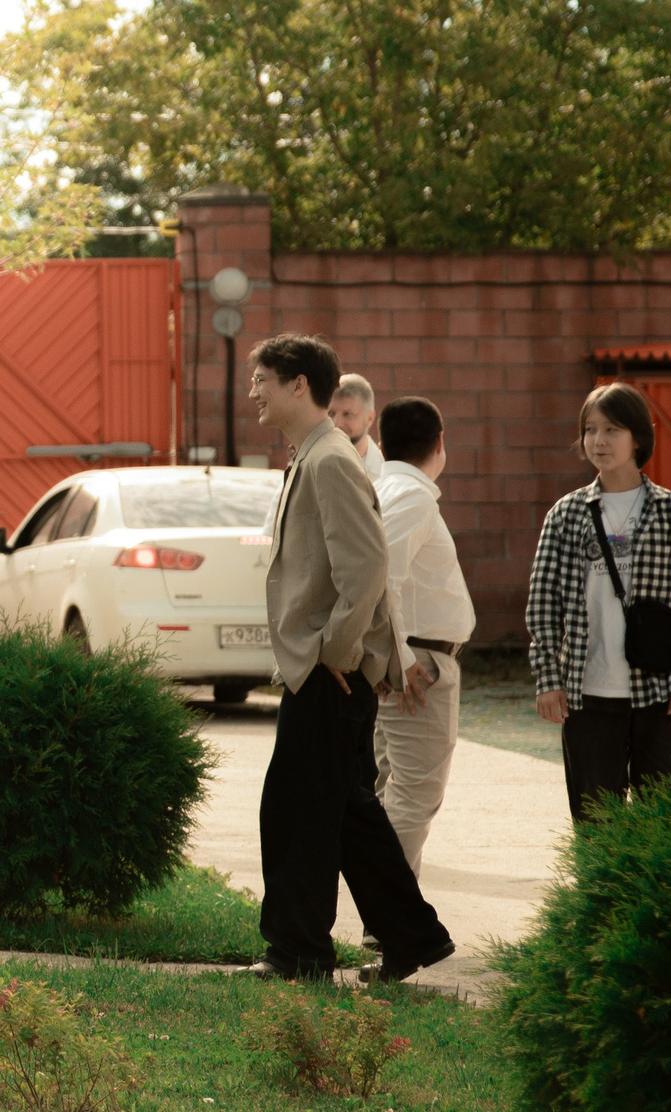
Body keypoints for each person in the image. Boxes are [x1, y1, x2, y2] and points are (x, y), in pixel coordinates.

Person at [248, 333, 453, 983]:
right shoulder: (313, 453)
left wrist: (335, 649)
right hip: (323, 668)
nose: (254, 391)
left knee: (299, 813)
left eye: (263, 380)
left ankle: (299, 951)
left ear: (298, 385)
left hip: (329, 671)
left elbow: (365, 566)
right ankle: (408, 934)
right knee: (341, 813)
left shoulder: (330, 460)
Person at [525, 383, 671, 824]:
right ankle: (602, 896)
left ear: (638, 437)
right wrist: (547, 678)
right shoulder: (566, 514)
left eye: (612, 429)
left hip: (661, 697)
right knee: (595, 824)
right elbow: (542, 601)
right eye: (590, 430)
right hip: (587, 697)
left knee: (666, 826)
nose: (599, 441)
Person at [370, 396, 476, 870]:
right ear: (440, 443)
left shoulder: (387, 488)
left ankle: (388, 917)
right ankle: (392, 920)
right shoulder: (410, 496)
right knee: (414, 796)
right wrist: (401, 658)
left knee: (394, 791)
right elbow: (380, 576)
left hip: (410, 657)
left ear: (380, 442)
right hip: (418, 664)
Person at [330, 375, 386, 480]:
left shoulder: (385, 472)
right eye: (331, 413)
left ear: (369, 418)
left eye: (347, 414)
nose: (336, 423)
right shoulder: (313, 465)